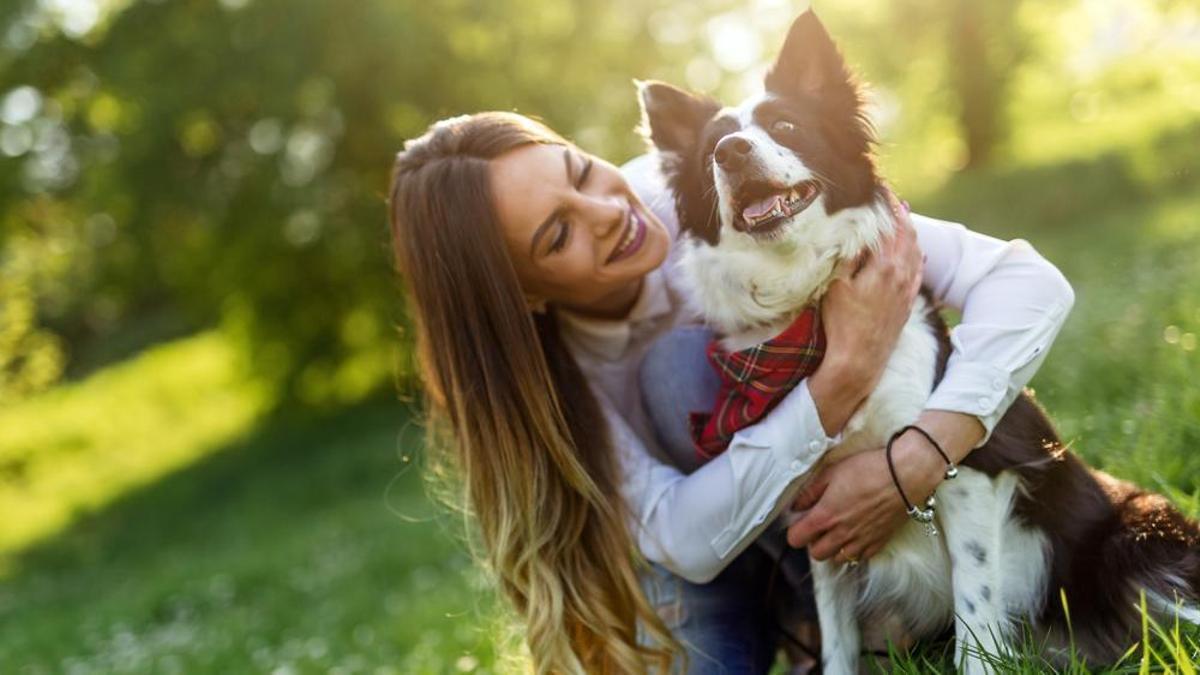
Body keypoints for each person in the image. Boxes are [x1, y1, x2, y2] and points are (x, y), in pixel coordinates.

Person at [387, 111, 1074, 673]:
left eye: (580, 170)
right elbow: (683, 538)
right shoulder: (540, 383)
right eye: (559, 233)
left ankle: (861, 624)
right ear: (525, 295)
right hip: (702, 566)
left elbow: (1029, 283)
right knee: (682, 371)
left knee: (680, 368)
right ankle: (816, 626)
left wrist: (927, 450)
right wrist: (843, 375)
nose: (604, 210)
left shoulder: (713, 186)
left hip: (845, 525)